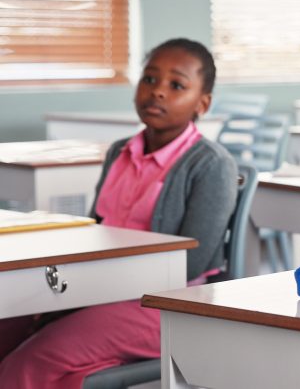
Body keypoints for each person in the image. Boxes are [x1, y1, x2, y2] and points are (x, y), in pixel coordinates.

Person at [0, 38, 238, 388]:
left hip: (170, 304)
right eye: (149, 79)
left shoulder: (211, 165)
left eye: (176, 85)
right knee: (6, 324)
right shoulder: (119, 152)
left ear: (203, 103)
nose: (158, 92)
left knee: (34, 358)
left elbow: (193, 262)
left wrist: (95, 288)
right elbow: (95, 230)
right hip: (100, 289)